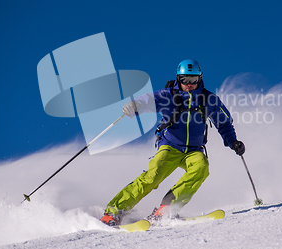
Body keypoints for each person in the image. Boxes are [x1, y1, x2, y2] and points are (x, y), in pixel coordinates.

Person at [100, 59, 245, 225]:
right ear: (178, 78)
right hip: (170, 146)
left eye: (193, 80)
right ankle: (113, 212)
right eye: (184, 80)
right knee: (153, 176)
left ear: (200, 78)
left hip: (193, 150)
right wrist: (134, 105)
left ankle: (167, 208)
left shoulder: (209, 99)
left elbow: (224, 123)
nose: (189, 84)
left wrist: (233, 141)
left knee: (201, 168)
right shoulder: (168, 96)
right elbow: (148, 100)